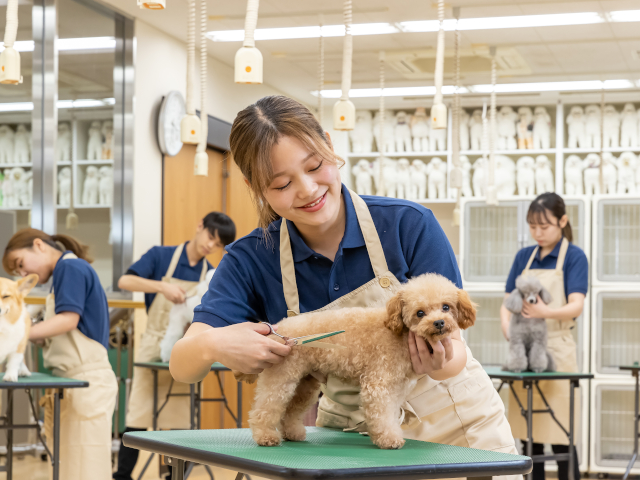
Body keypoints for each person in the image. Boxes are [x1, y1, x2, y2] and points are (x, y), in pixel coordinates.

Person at [170, 95, 519, 469]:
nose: (306, 189)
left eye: (315, 165)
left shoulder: (409, 225)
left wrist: (438, 360)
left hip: (456, 428)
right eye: (282, 183)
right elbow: (182, 365)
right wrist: (212, 343)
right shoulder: (251, 258)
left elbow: (455, 354)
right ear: (254, 186)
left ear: (329, 145)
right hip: (351, 437)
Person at [114, 212, 235, 480]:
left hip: (184, 349)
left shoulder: (209, 275)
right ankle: (122, 475)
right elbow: (124, 281)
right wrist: (160, 287)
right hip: (151, 345)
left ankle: (173, 477)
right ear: (199, 226)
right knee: (137, 415)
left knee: (179, 420)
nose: (210, 247)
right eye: (210, 238)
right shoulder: (161, 256)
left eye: (217, 246)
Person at [3, 229, 117, 480]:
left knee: (85, 470)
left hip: (88, 385)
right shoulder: (64, 274)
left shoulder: (70, 268)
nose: (24, 274)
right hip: (76, 385)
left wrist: (20, 333)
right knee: (72, 469)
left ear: (38, 245)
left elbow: (68, 320)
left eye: (21, 264)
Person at [501, 193, 588, 480]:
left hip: (559, 352)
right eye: (532, 226)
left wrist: (542, 314)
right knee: (530, 435)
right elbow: (506, 303)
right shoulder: (523, 257)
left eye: (545, 226)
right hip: (524, 352)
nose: (537, 233)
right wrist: (509, 333)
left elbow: (576, 305)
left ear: (562, 221)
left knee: (563, 431)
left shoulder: (574, 256)